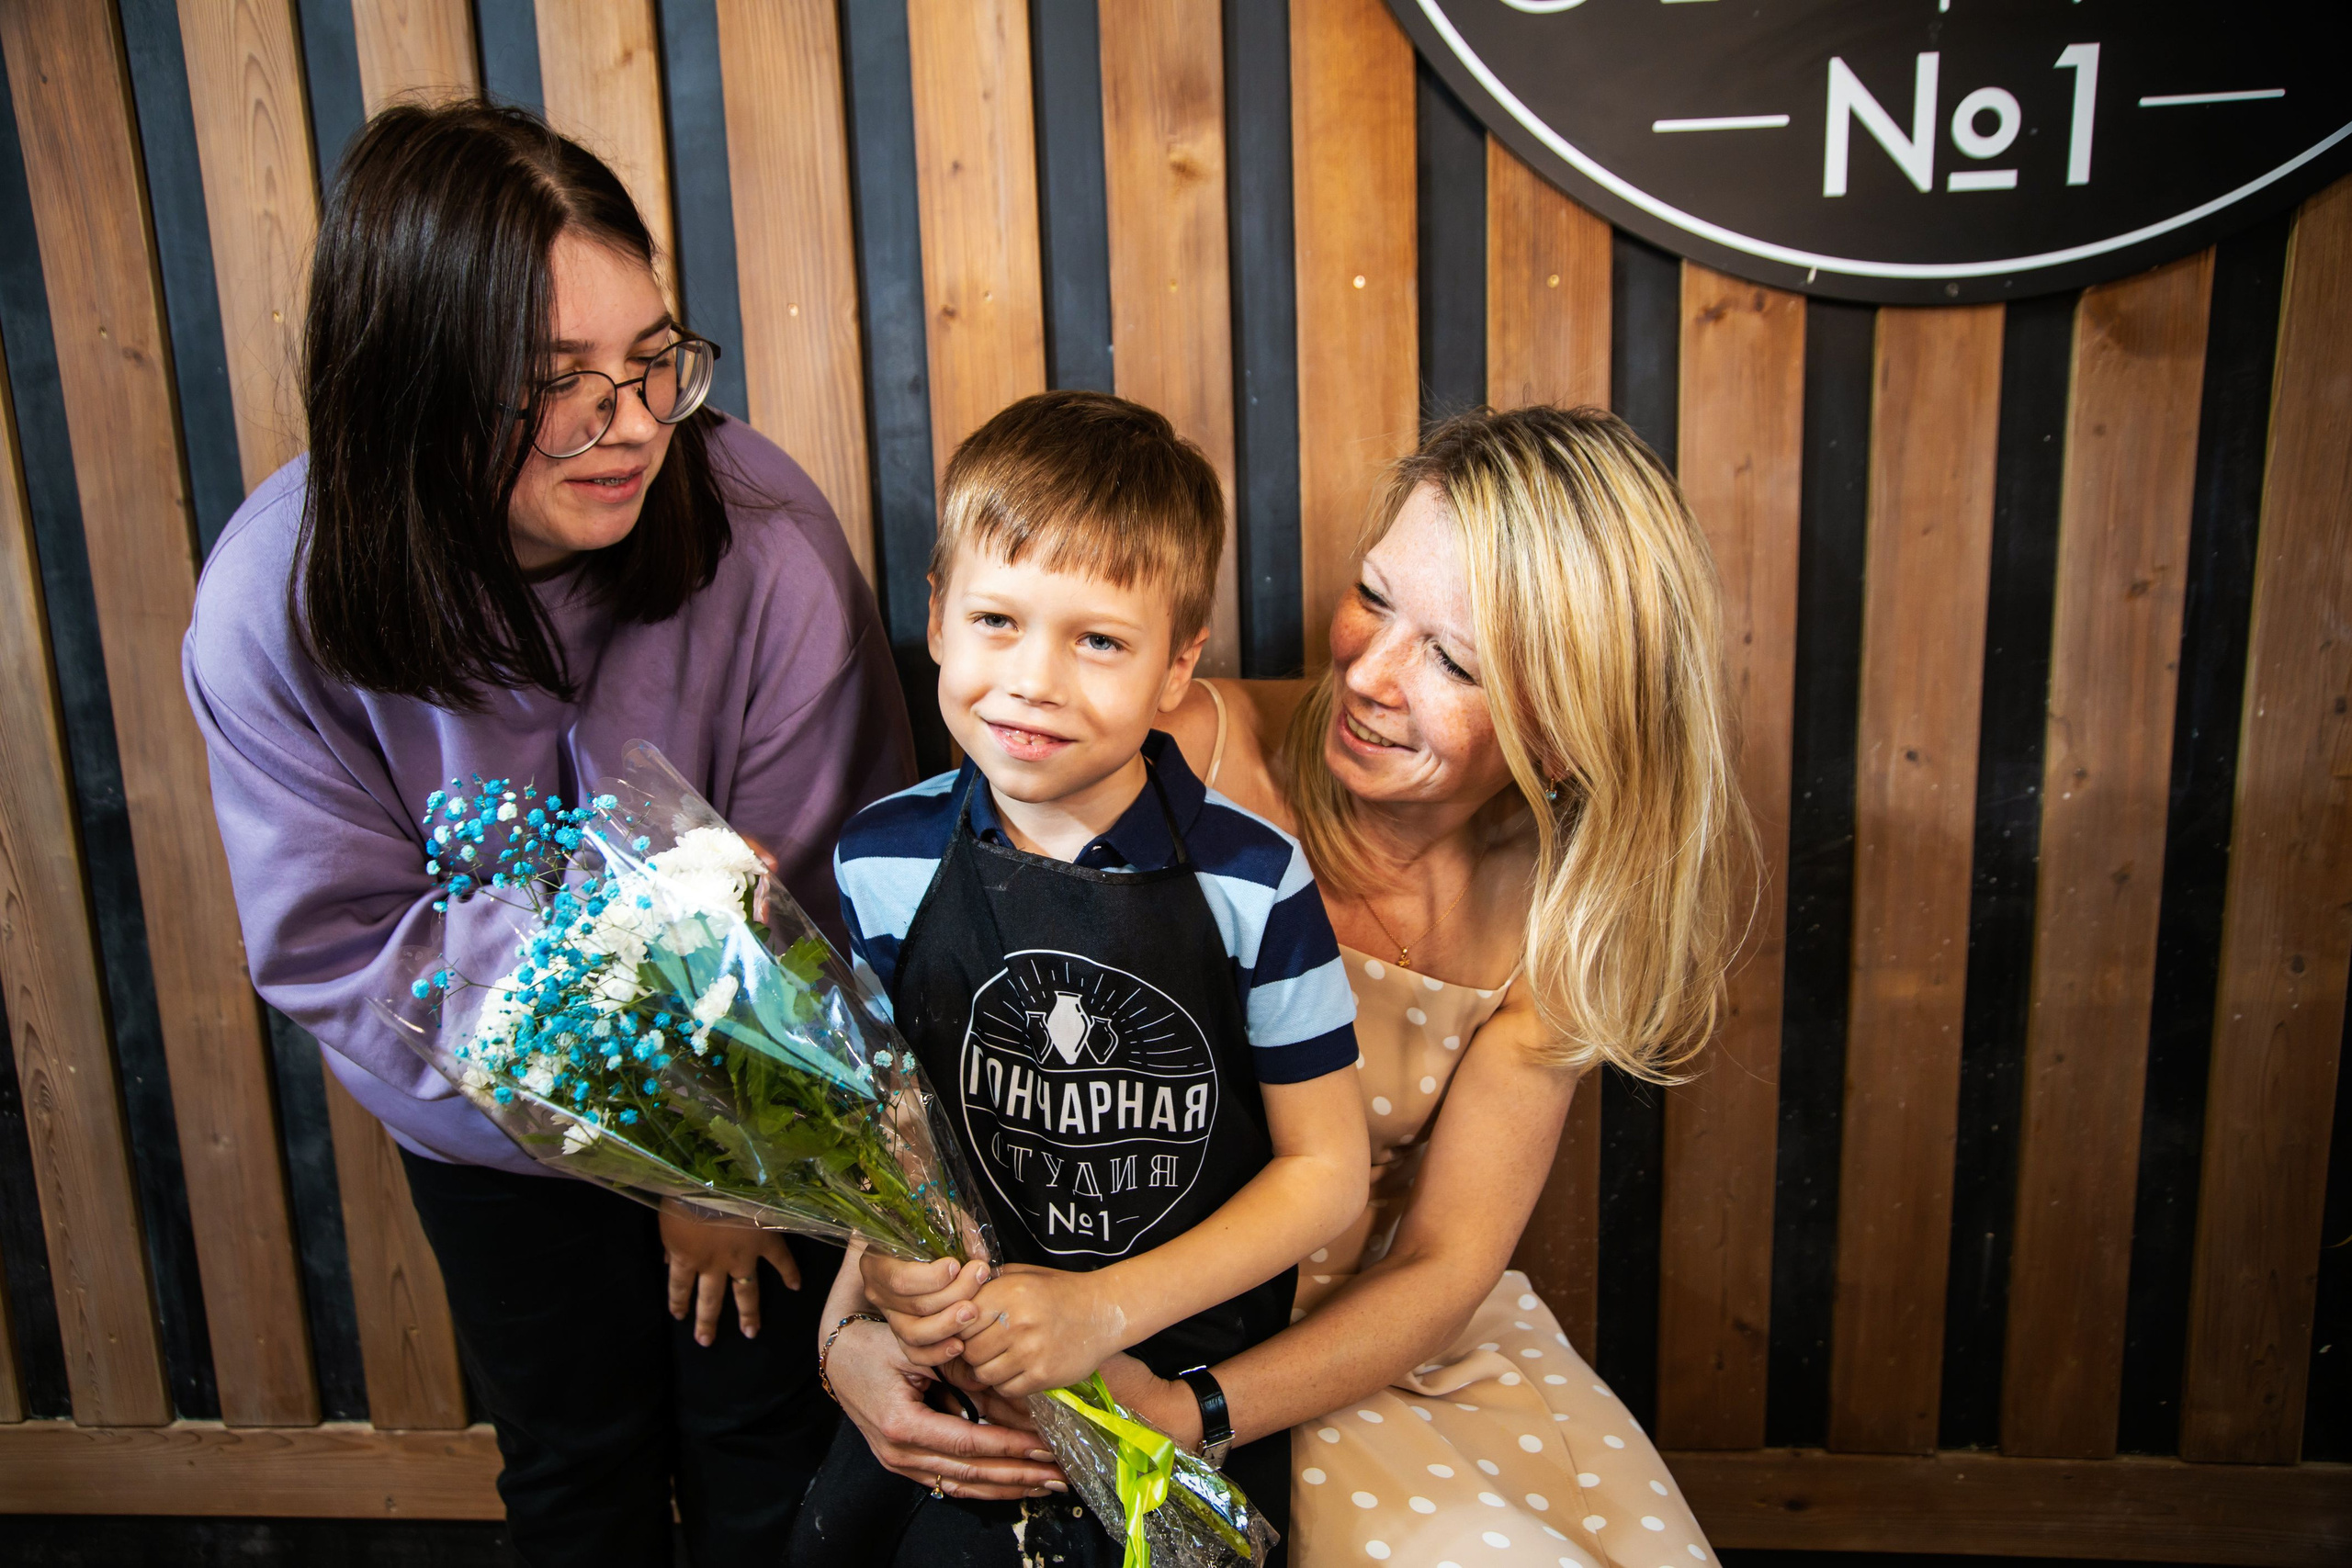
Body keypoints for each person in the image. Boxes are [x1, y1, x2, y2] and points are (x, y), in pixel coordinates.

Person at [183, 102, 910, 1566]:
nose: (635, 422)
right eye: (557, 383)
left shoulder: (765, 535)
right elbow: (347, 951)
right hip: (487, 1140)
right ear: (410, 389)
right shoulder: (273, 600)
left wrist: (714, 1169)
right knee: (574, 1463)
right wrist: (648, 1153)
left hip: (772, 1122)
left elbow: (824, 885)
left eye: (651, 360)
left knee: (770, 1443)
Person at [842, 405, 1746, 1567]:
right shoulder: (1158, 753)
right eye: (1375, 597)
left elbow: (1441, 1264)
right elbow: (934, 1075)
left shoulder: (1552, 929)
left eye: (1454, 661)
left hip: (1360, 1351)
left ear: (1568, 728)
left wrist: (1191, 1413)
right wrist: (851, 1339)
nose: (1367, 675)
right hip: (1102, 1320)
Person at [794, 390, 1371, 1566]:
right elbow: (887, 1124)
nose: (1035, 680)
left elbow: (1327, 1174)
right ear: (939, 625)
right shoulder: (879, 860)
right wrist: (888, 1276)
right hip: (964, 1373)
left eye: (1099, 640)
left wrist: (1104, 1311)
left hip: (1175, 1371)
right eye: (997, 620)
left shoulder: (1255, 884)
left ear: (1177, 667)